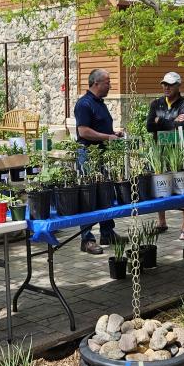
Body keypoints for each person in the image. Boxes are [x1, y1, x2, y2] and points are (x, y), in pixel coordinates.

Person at [74, 68, 124, 254]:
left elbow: (100, 128)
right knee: (88, 197)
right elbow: (84, 131)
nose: (110, 85)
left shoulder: (99, 103)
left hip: (102, 154)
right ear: (96, 83)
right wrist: (107, 137)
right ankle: (86, 239)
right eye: (107, 82)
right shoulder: (84, 104)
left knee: (105, 194)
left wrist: (113, 134)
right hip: (88, 155)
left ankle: (107, 233)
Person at [147, 72, 184, 239]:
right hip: (160, 150)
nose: (166, 87)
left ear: (178, 86)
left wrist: (162, 122)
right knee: (160, 183)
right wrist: (172, 123)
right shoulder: (156, 103)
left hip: (179, 150)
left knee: (183, 186)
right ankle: (162, 221)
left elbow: (183, 123)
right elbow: (149, 126)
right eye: (164, 84)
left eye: (170, 84)